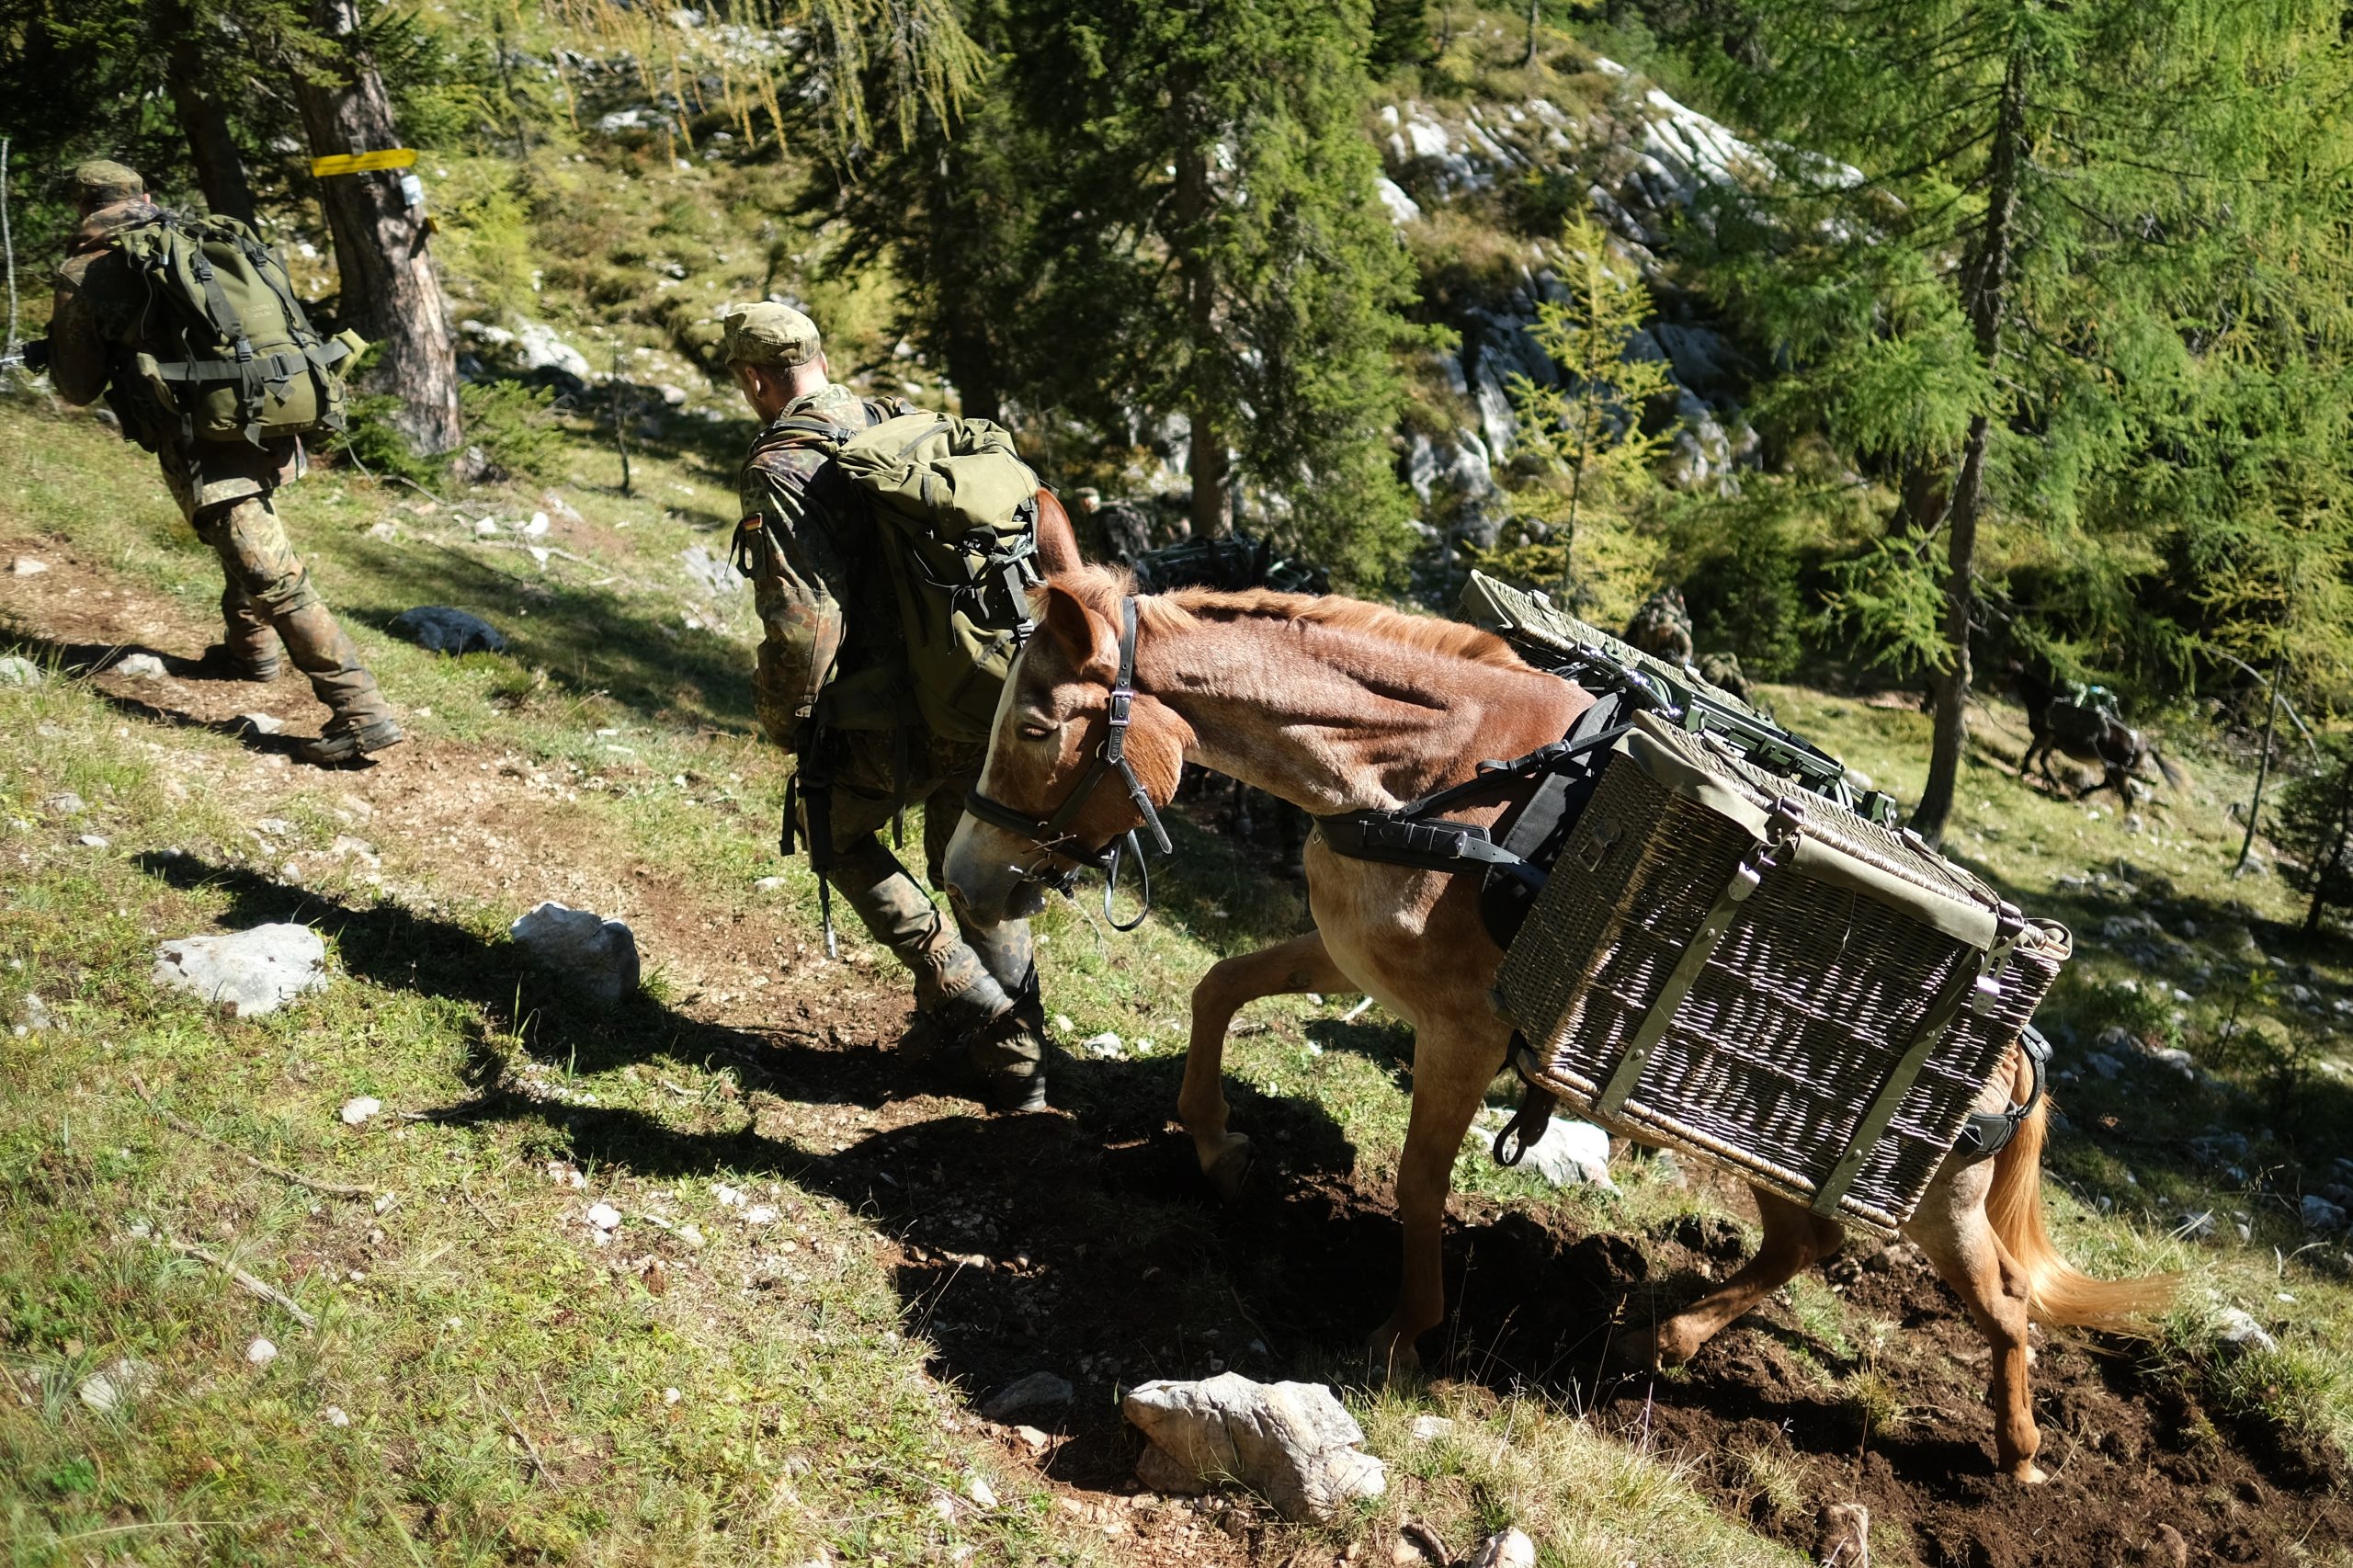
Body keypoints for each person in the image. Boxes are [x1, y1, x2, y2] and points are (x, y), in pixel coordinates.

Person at [723, 302, 1048, 1111]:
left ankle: (969, 997)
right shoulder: (897, 425)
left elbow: (803, 624)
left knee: (835, 835)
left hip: (881, 709)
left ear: (755, 379)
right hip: (977, 685)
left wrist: (787, 716)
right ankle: (1020, 1070)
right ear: (821, 359)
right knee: (972, 870)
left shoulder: (782, 467)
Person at [37, 160, 401, 766]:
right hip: (271, 405)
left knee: (267, 568)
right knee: (244, 538)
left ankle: (359, 711)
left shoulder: (88, 269)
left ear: (84, 207)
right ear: (145, 195)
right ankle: (249, 653)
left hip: (207, 436)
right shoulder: (203, 238)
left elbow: (76, 386)